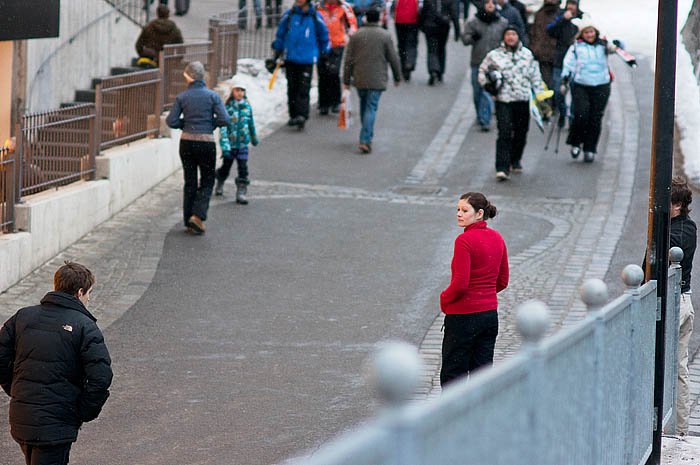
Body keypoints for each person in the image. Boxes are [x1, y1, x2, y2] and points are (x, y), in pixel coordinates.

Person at [0, 262, 113, 465]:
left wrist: (16, 390)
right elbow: (101, 378)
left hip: (22, 419)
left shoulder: (22, 317)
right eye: (89, 293)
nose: (89, 298)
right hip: (57, 427)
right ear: (80, 292)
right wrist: (82, 412)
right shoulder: (85, 326)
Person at [440, 192, 509, 387]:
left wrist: (444, 299)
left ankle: (453, 416)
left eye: (464, 210)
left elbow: (460, 284)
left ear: (479, 214)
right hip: (489, 316)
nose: (459, 214)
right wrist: (484, 295)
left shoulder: (464, 241)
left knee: (454, 375)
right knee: (482, 374)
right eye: (458, 210)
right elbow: (502, 280)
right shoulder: (497, 238)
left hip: (463, 317)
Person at [166, 61, 230, 234]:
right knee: (208, 179)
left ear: (188, 77)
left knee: (190, 181)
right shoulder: (212, 96)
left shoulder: (182, 97)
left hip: (186, 142)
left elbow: (171, 121)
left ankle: (188, 220)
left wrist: (184, 123)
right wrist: (211, 124)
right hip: (206, 142)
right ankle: (198, 215)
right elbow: (224, 119)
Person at [478, 26, 544, 180]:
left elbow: (535, 75)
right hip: (504, 99)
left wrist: (541, 96)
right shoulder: (494, 55)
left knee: (521, 132)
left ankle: (516, 159)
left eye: (514, 34)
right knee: (505, 131)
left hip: (522, 99)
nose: (511, 37)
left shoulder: (527, 55)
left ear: (518, 37)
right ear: (504, 37)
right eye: (508, 34)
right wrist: (487, 85)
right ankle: (502, 166)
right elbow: (482, 71)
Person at [343, 8, 401, 154]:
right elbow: (393, 58)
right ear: (378, 19)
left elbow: (348, 60)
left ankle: (366, 134)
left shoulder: (356, 36)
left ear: (366, 19)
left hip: (360, 77)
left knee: (364, 105)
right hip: (377, 78)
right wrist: (397, 76)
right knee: (371, 107)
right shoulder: (385, 35)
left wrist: (346, 79)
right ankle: (365, 139)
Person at [560, 18, 617, 163]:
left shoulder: (603, 45)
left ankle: (590, 148)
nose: (589, 35)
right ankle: (575, 142)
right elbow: (568, 63)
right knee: (581, 114)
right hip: (582, 85)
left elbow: (617, 48)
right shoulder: (576, 47)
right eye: (586, 32)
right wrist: (565, 78)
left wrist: (616, 46)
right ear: (582, 34)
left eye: (591, 31)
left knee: (595, 118)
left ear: (595, 32)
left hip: (601, 85)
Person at [272, 0, 330, 129]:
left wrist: (325, 52)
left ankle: (302, 115)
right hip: (290, 58)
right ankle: (293, 115)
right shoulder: (289, 15)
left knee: (303, 88)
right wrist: (276, 52)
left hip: (307, 59)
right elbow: (280, 35)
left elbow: (324, 35)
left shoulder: (315, 16)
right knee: (292, 87)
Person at [670, 177, 697, 436]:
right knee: (678, 367)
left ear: (677, 204)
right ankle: (676, 428)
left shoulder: (681, 230)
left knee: (677, 367)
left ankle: (678, 430)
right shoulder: (684, 227)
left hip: (676, 303)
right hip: (679, 300)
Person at [461, 0, 508, 132]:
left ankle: (485, 119)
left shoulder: (502, 22)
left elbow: (508, 39)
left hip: (494, 64)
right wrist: (472, 38)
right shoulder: (474, 22)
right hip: (478, 61)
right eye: (487, 4)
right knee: (477, 91)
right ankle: (480, 114)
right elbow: (465, 38)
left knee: (487, 92)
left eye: (492, 4)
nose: (490, 6)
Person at [215, 76, 259, 204]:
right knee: (226, 167)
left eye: (242, 91)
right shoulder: (227, 107)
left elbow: (250, 124)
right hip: (230, 145)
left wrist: (253, 137)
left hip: (243, 144)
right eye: (237, 90)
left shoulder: (247, 107)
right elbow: (223, 129)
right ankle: (220, 180)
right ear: (232, 92)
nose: (240, 93)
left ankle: (241, 190)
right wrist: (225, 146)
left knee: (243, 168)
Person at [546, 0, 584, 127]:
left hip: (576, 60)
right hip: (560, 59)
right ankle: (562, 112)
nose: (571, 7)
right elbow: (550, 30)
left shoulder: (583, 18)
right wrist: (562, 19)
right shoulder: (561, 16)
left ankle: (573, 118)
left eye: (574, 4)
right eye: (569, 4)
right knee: (557, 90)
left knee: (575, 92)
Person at [317, 0, 358, 115]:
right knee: (323, 73)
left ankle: (335, 102)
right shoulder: (318, 7)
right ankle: (323, 104)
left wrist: (352, 34)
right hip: (321, 45)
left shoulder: (344, 7)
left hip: (337, 44)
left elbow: (353, 23)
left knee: (333, 72)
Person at [419, 0, 460, 85]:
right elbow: (454, 13)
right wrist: (457, 30)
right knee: (441, 49)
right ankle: (440, 71)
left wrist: (421, 25)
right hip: (443, 26)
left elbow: (423, 12)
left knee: (432, 49)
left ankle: (433, 69)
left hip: (430, 26)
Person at [529, 0, 560, 89]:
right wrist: (534, 49)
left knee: (555, 87)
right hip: (541, 56)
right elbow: (533, 33)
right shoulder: (539, 14)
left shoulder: (560, 13)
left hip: (557, 57)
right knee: (543, 86)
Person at [391, 0, 421, 81]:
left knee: (402, 44)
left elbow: (393, 5)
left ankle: (404, 66)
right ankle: (409, 62)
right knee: (411, 43)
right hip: (412, 20)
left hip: (399, 20)